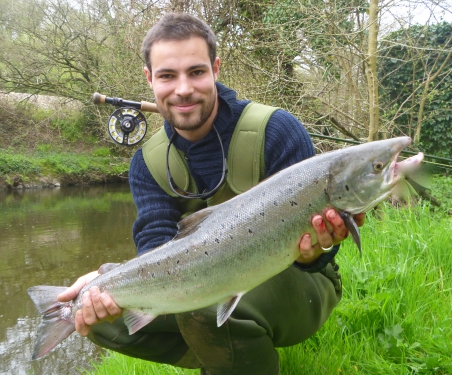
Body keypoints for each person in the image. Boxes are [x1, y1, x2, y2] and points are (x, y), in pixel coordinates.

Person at [58, 13, 365, 375]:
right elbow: (155, 250)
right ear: (149, 79)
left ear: (216, 69)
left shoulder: (277, 129)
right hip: (200, 277)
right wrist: (101, 282)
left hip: (304, 280)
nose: (183, 88)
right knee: (95, 317)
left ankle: (232, 352)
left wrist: (320, 247)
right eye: (168, 76)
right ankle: (229, 358)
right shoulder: (146, 163)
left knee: (208, 305)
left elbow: (321, 255)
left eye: (196, 72)